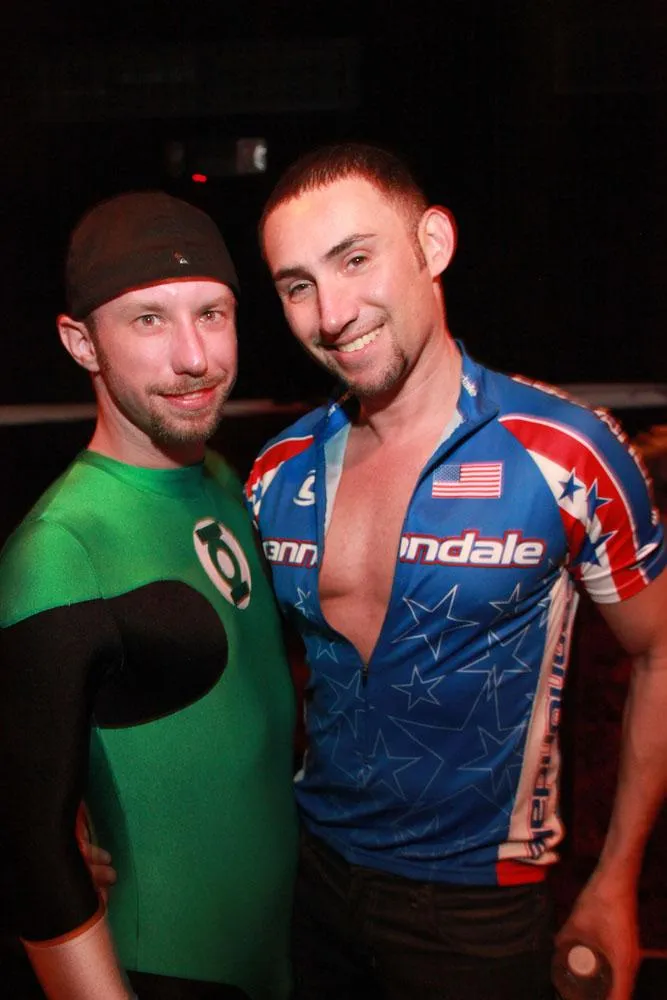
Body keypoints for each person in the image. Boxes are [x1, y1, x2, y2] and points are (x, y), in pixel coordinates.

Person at [243, 143, 667, 1000]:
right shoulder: (275, 474)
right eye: (296, 286)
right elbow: (244, 681)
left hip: (477, 909)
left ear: (431, 245)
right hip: (306, 876)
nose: (332, 313)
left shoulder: (564, 453)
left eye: (354, 260)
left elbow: (658, 652)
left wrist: (615, 878)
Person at [0, 192, 298, 1000]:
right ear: (82, 343)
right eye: (148, 320)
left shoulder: (222, 479)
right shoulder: (60, 549)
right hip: (162, 973)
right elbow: (31, 858)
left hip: (279, 953)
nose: (194, 357)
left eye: (213, 314)